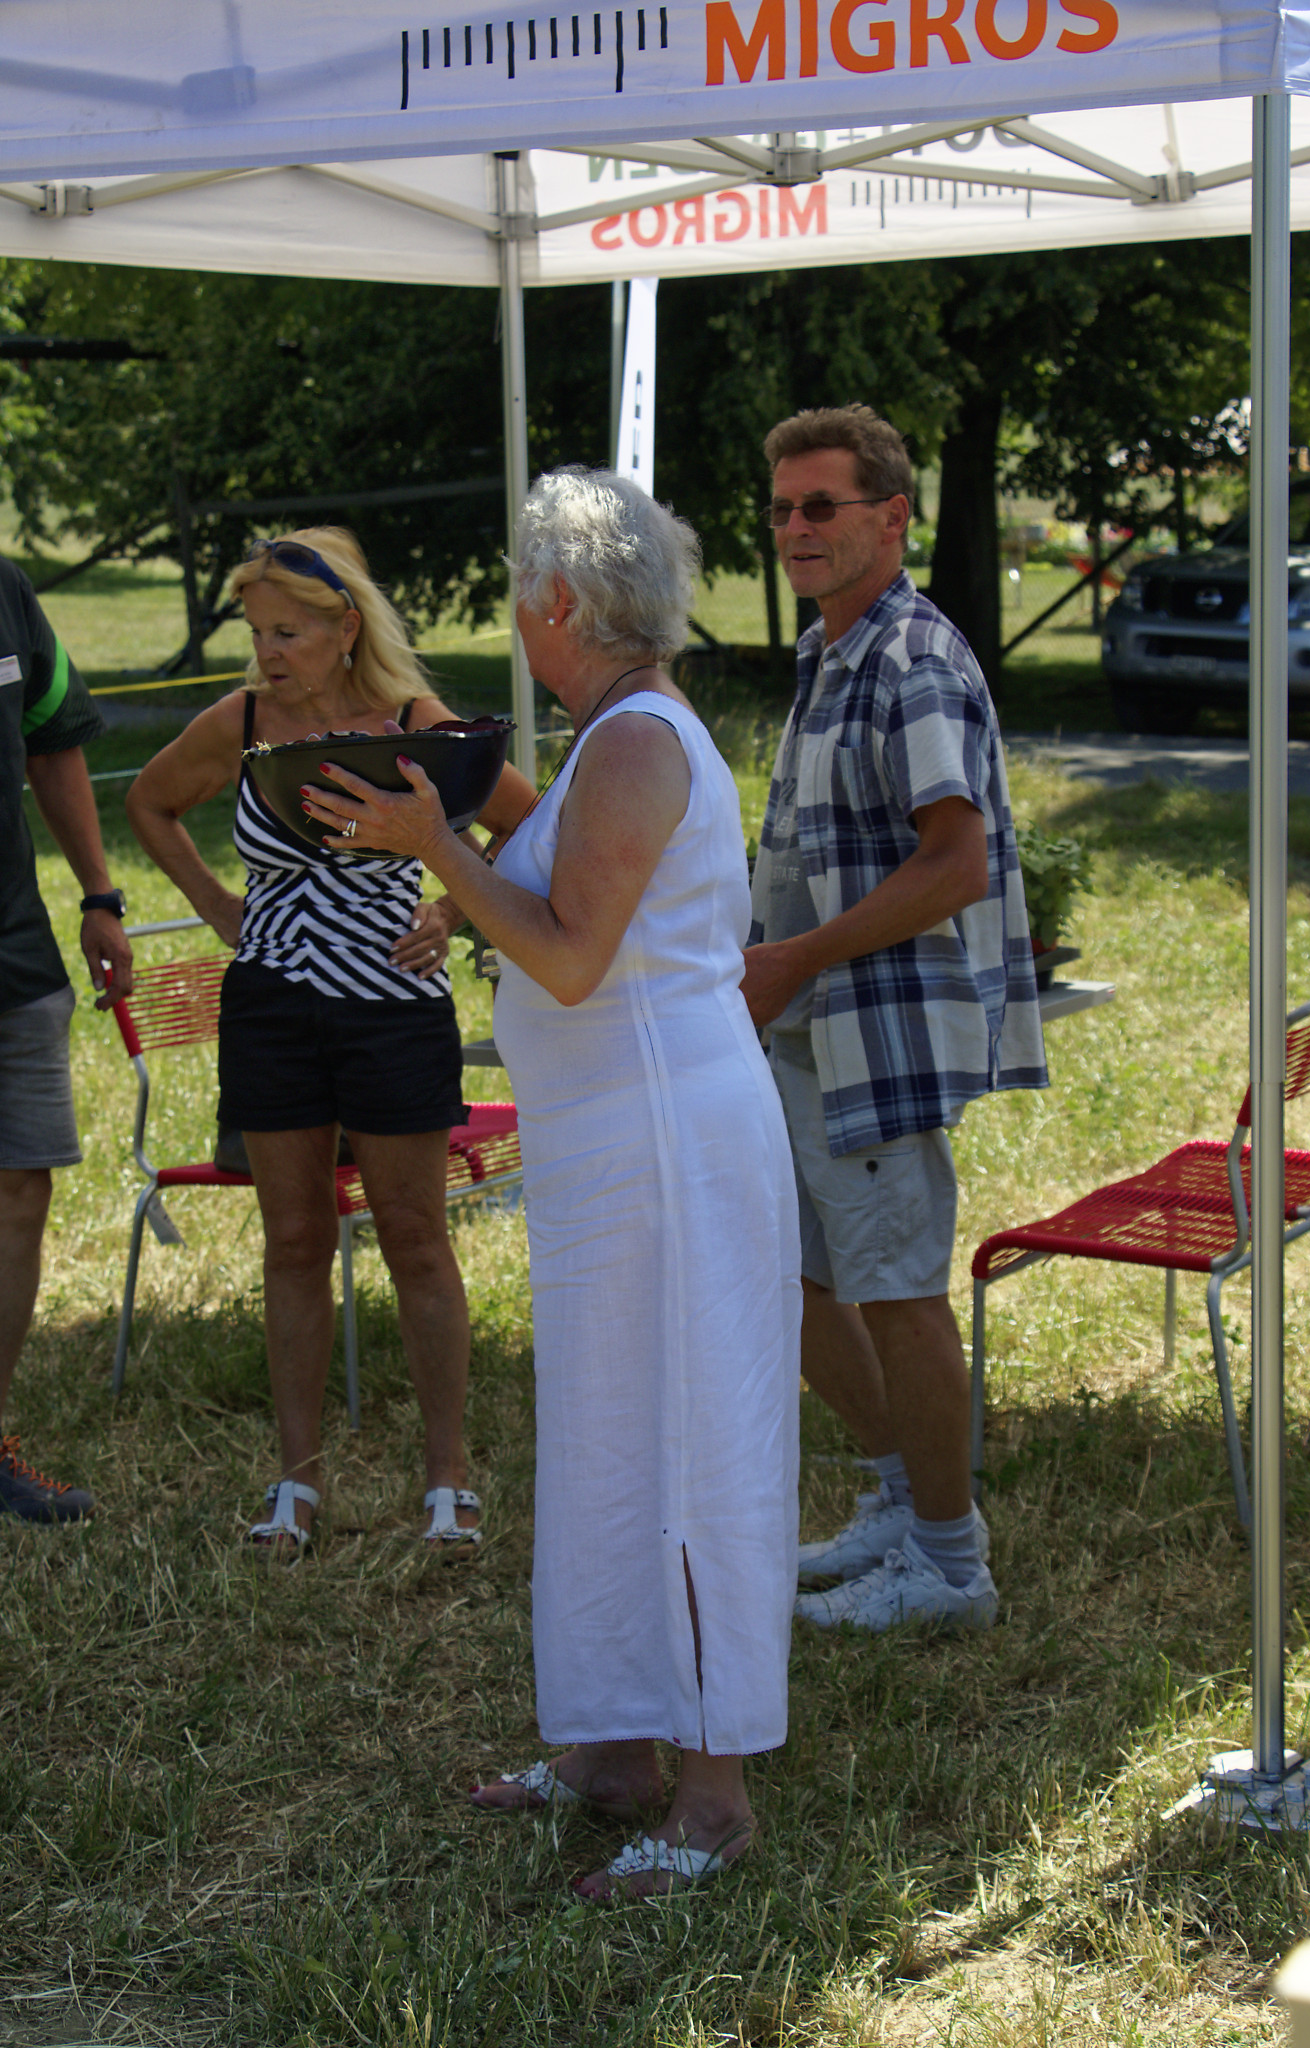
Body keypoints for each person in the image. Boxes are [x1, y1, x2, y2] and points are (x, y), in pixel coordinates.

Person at [300, 470, 801, 1899]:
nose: (518, 615)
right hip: (618, 1146)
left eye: (524, 590)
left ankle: (713, 1796)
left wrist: (437, 849)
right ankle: (614, 1747)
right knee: (608, 1438)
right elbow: (577, 926)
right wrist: (460, 893)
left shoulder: (638, 739)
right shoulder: (613, 734)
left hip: (668, 1146)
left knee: (693, 1445)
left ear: (561, 600)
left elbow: (577, 958)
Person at [126, 528, 533, 1554]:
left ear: (345, 628)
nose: (267, 652)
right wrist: (218, 905)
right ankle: (296, 1482)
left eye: (288, 633)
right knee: (296, 1241)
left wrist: (455, 907)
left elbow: (527, 817)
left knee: (415, 1238)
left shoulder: (411, 722)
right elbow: (149, 801)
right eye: (258, 632)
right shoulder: (242, 722)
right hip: (271, 1010)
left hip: (393, 1007)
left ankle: (447, 1478)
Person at [743, 405, 1047, 1633]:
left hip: (870, 1032)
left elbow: (954, 864)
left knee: (898, 1294)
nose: (796, 528)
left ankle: (950, 1563)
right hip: (808, 1029)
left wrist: (793, 959)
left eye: (821, 505)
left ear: (892, 515)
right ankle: (900, 1496)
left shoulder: (911, 656)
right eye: (781, 509)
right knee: (795, 1277)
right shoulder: (834, 648)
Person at [0, 556, 134, 1521]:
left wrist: (99, 895)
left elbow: (52, 747)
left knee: (20, 1191)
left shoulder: (6, 593)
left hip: (14, 951)